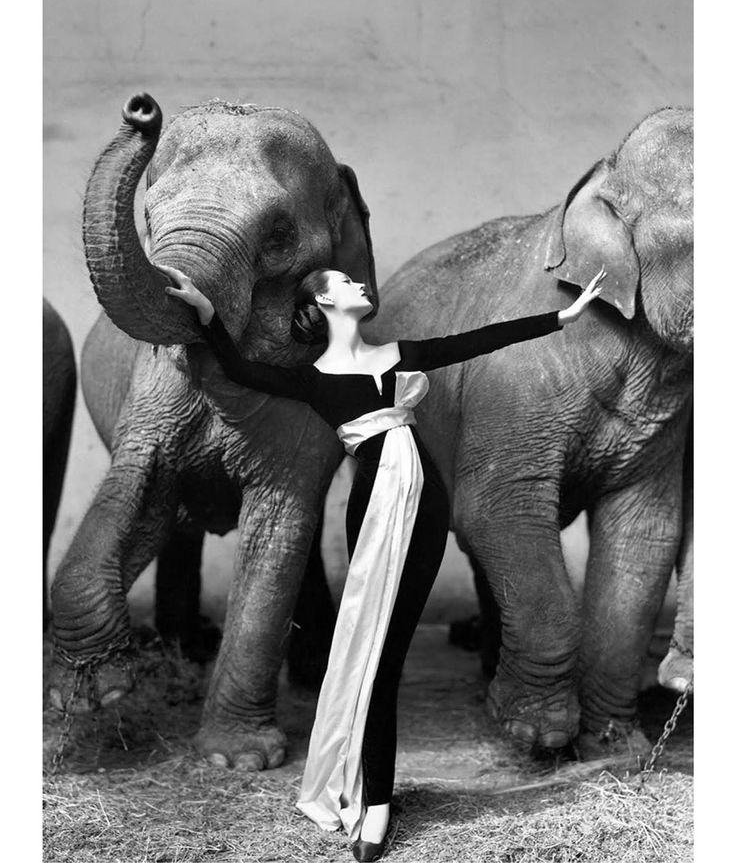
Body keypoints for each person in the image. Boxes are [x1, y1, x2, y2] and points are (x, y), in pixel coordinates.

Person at [160, 263, 606, 862]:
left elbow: (477, 341)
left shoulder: (398, 354)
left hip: (425, 506)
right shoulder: (311, 378)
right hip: (372, 512)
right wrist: (209, 317)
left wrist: (562, 317)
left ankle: (378, 802)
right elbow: (239, 369)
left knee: (389, 653)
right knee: (375, 664)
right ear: (321, 303)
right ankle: (373, 805)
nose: (360, 286)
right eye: (345, 283)